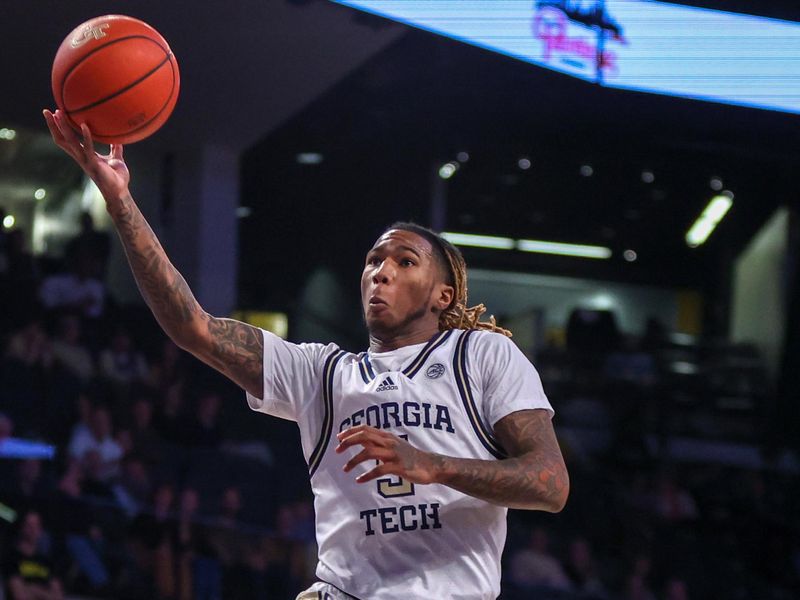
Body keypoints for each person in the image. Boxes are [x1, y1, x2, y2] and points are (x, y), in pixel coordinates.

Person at [44, 109, 569, 599]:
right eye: (373, 260)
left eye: (405, 261)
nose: (380, 271)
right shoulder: (322, 373)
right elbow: (193, 327)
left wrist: (432, 465)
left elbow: (550, 483)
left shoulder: (480, 355)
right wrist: (118, 199)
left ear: (443, 295)